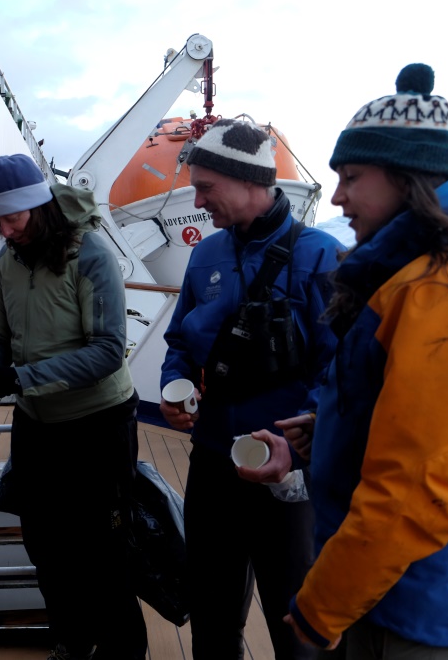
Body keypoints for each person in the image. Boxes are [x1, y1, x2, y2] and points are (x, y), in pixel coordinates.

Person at [252, 63, 448, 658]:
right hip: (387, 584)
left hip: (418, 601)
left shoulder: (446, 289)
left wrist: (322, 605)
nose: (337, 197)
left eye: (352, 177)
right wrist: (330, 431)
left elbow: (420, 486)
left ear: (408, 178)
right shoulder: (417, 274)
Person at [159, 119, 345, 660]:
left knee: (295, 619)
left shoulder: (321, 257)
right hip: (213, 459)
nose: (198, 201)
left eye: (206, 187)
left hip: (286, 469)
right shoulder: (206, 255)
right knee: (211, 611)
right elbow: (180, 339)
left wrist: (298, 441)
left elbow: (340, 368)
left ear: (249, 181)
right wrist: (172, 383)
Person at [0, 154, 147, 660]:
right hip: (37, 425)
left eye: (13, 219)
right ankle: (72, 642)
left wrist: (18, 379)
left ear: (40, 207)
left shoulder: (90, 254)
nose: (6, 231)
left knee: (102, 550)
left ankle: (122, 654)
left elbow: (107, 351)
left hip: (98, 425)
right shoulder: (7, 261)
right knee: (45, 546)